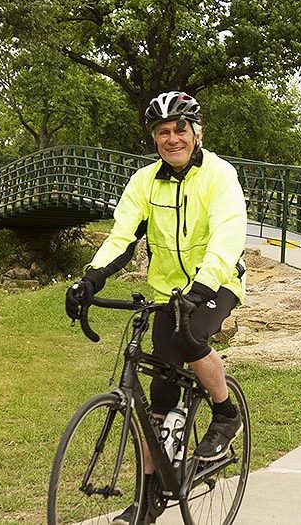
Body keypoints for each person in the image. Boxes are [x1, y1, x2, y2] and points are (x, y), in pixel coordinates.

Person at [64, 91, 248, 525]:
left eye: (179, 129)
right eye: (163, 132)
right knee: (157, 402)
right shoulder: (144, 182)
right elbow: (122, 236)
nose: (172, 138)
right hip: (167, 292)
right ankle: (149, 496)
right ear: (154, 139)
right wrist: (90, 278)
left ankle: (225, 414)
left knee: (191, 336)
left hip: (217, 283)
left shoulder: (220, 176)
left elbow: (227, 235)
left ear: (196, 132)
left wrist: (203, 286)